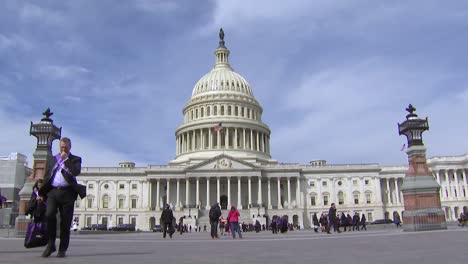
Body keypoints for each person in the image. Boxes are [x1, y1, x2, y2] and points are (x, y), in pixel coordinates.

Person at [38, 137, 83, 258]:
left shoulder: (75, 159)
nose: (63, 149)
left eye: (65, 147)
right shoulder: (54, 159)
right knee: (49, 214)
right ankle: (51, 244)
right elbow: (47, 176)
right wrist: (41, 193)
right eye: (61, 147)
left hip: (68, 193)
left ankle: (62, 249)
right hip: (53, 191)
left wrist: (66, 159)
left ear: (70, 147)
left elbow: (75, 172)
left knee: (65, 222)